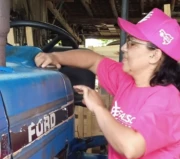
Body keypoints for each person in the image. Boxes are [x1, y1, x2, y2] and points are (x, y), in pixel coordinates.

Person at [34, 8, 180, 159]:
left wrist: (99, 108)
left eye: (131, 43)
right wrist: (55, 57)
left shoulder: (167, 100)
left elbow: (131, 147)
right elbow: (93, 60)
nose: (123, 48)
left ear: (154, 55)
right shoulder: (127, 79)